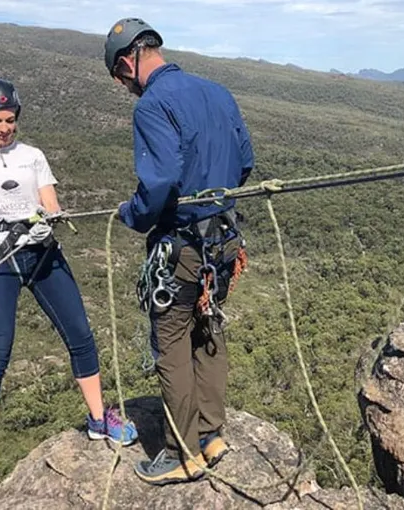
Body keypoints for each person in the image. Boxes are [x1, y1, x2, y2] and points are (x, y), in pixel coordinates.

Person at [0, 77, 138, 506]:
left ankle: (96, 418)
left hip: (41, 249)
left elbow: (50, 201)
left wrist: (46, 218)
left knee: (81, 335)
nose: (4, 128)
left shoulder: (33, 156)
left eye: (10, 120)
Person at [104, 18, 255, 486]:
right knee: (208, 330)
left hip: (183, 247)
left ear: (128, 62)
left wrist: (132, 215)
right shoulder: (217, 92)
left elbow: (160, 181)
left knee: (172, 344)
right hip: (224, 242)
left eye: (120, 78)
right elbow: (245, 161)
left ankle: (181, 452)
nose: (125, 87)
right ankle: (211, 434)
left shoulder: (152, 105)